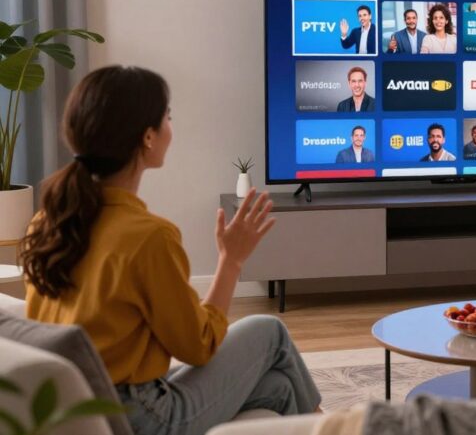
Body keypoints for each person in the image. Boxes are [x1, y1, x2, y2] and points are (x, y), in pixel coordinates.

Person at [20, 66, 321, 435]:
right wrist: (231, 260)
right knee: (269, 331)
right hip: (142, 418)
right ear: (148, 137)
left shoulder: (47, 222)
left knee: (280, 388)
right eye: (168, 116)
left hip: (76, 406)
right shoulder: (148, 237)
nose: (170, 126)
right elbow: (198, 346)